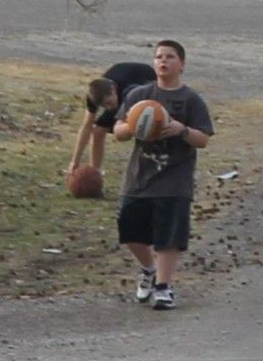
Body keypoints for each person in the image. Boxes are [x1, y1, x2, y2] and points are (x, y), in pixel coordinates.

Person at [113, 39, 213, 310]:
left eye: (169, 57)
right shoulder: (140, 96)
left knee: (168, 236)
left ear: (182, 64)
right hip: (139, 177)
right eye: (158, 57)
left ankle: (163, 286)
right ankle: (149, 269)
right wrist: (134, 126)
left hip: (174, 179)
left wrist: (181, 129)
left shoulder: (190, 100)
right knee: (130, 230)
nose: (163, 61)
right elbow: (119, 130)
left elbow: (203, 138)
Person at [67, 62, 156, 178]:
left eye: (108, 103)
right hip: (123, 91)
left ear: (114, 89)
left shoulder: (127, 90)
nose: (108, 108)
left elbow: (125, 134)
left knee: (143, 129)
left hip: (144, 84)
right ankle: (95, 174)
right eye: (104, 106)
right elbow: (86, 126)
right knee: (98, 130)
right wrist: (75, 160)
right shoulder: (94, 94)